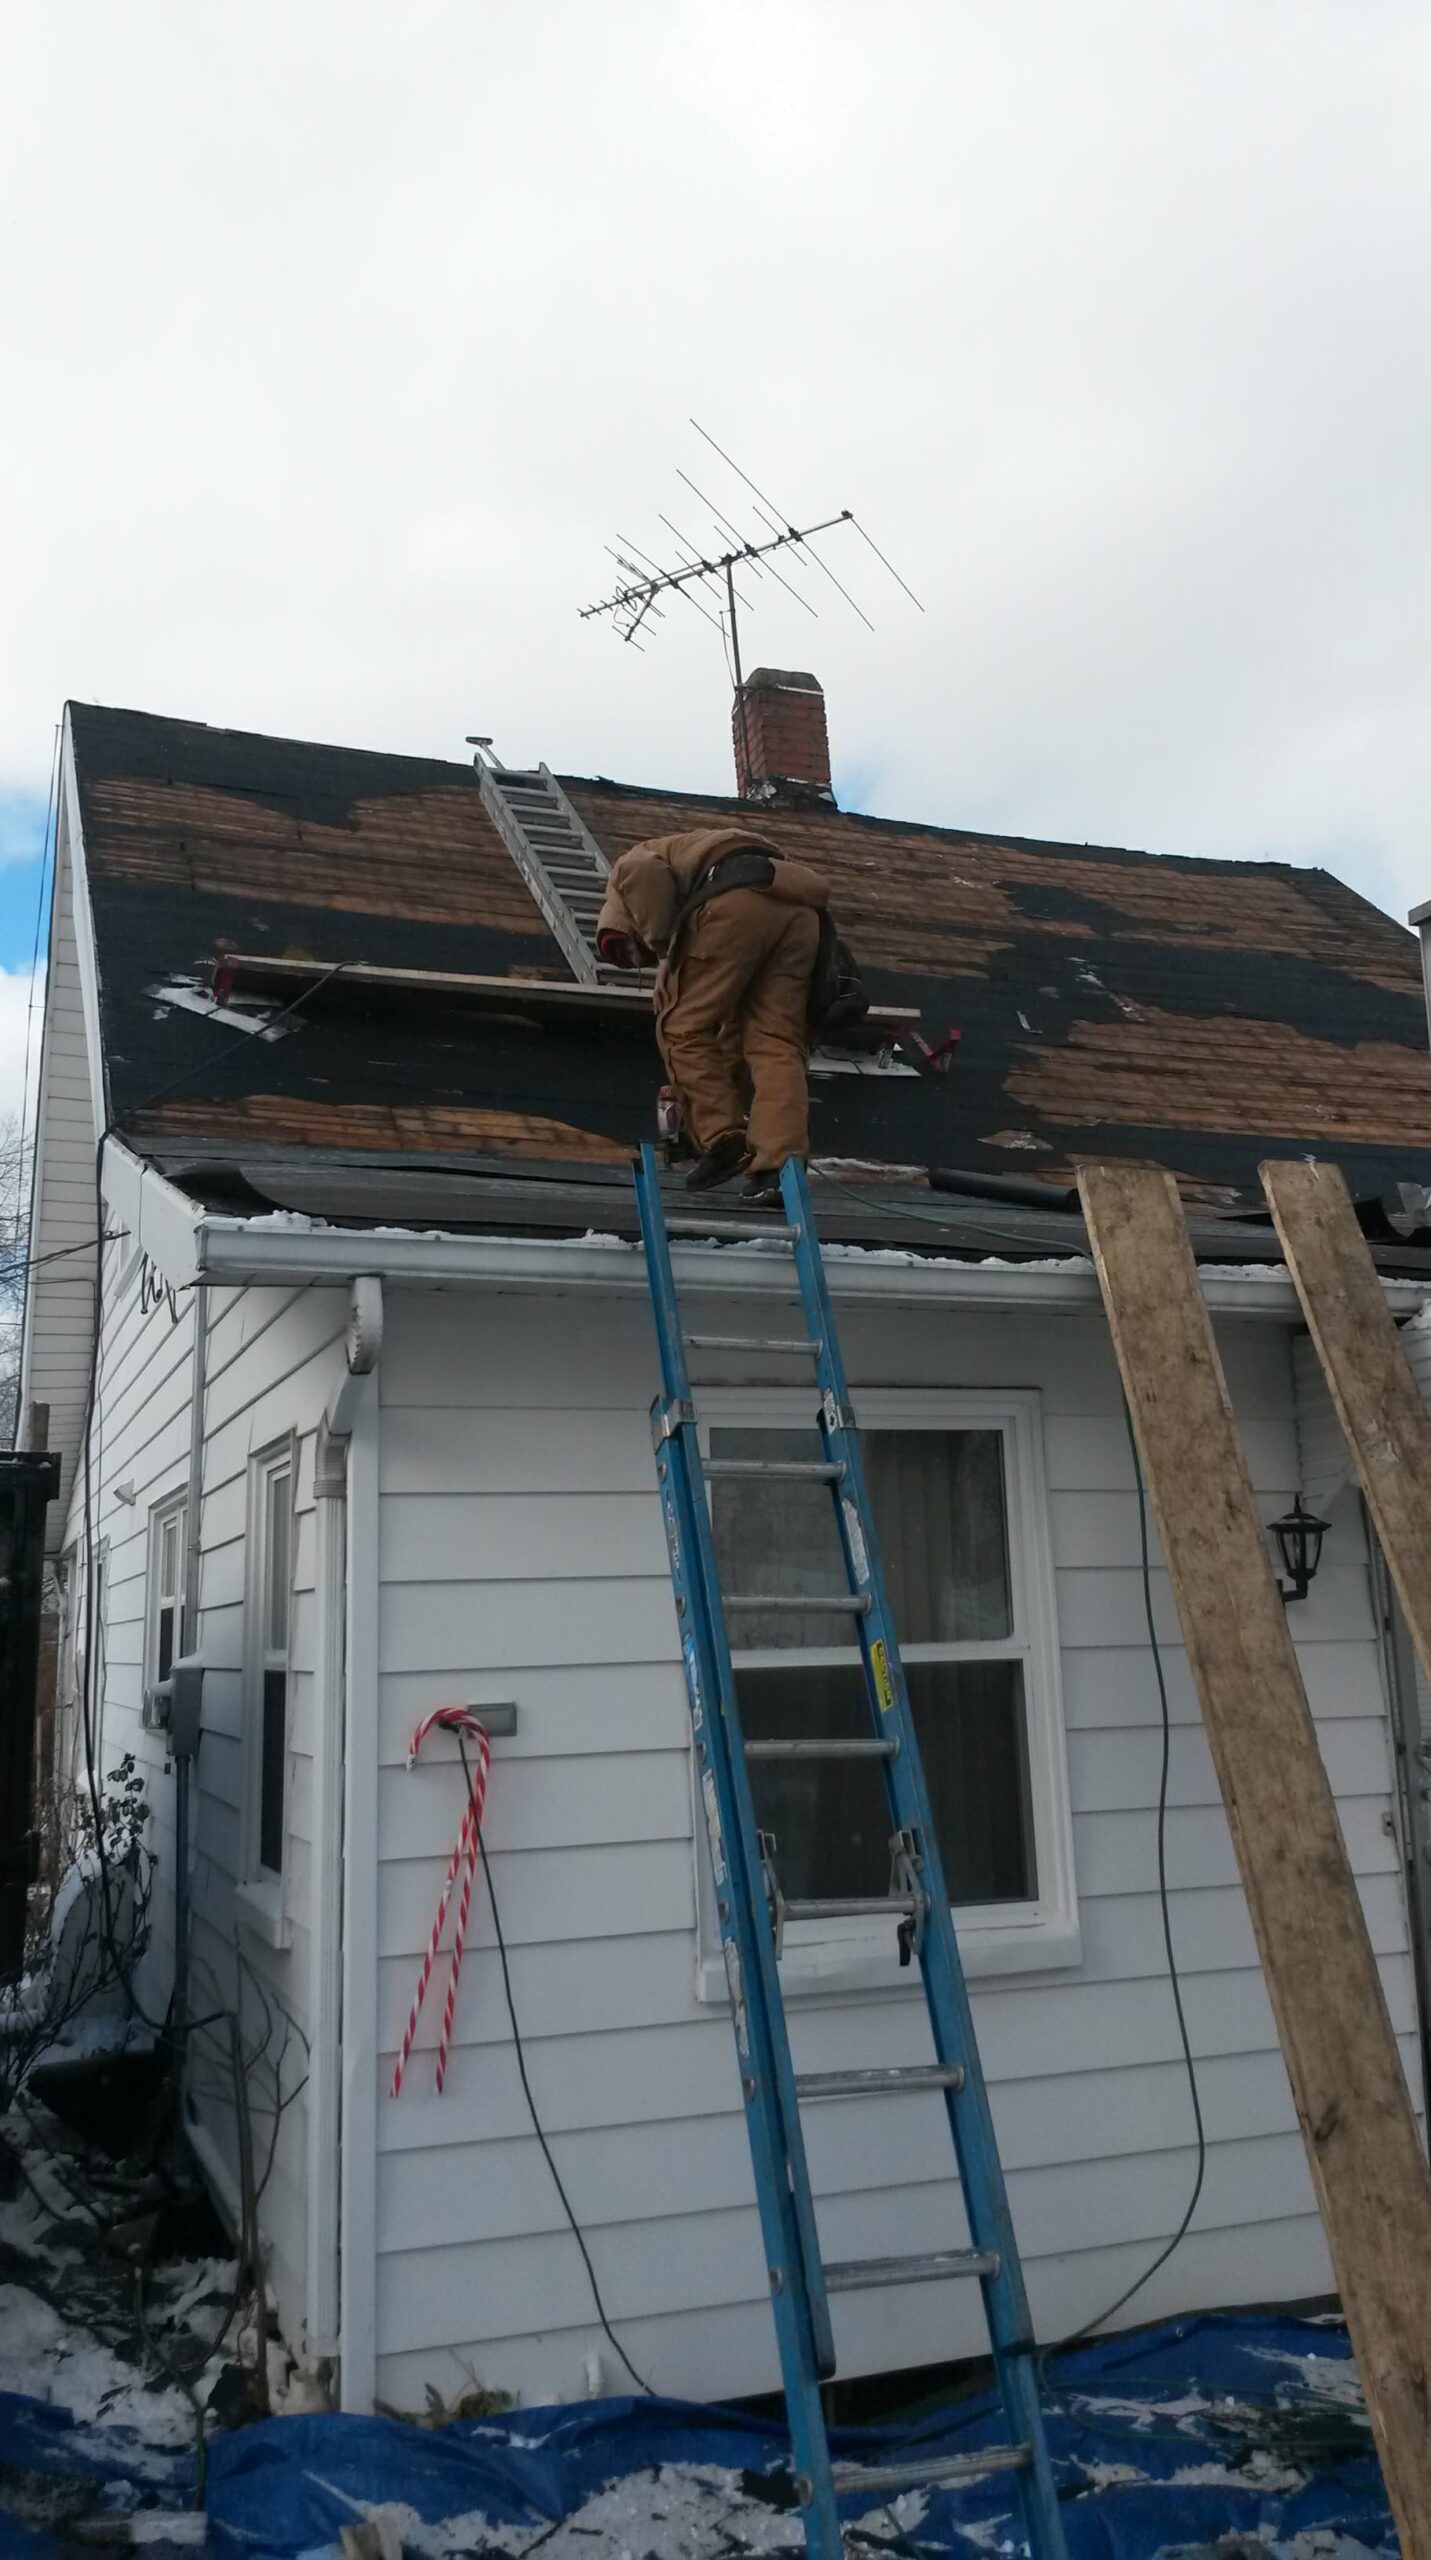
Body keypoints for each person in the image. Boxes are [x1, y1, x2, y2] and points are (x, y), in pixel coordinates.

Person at [596, 825, 827, 1208]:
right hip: (797, 906)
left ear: (624, 921)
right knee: (775, 1043)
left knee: (679, 1026)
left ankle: (723, 1139)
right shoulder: (689, 849)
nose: (641, 961)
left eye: (630, 951)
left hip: (736, 898)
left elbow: (642, 873)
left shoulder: (627, 870)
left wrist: (665, 955)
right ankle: (778, 1169)